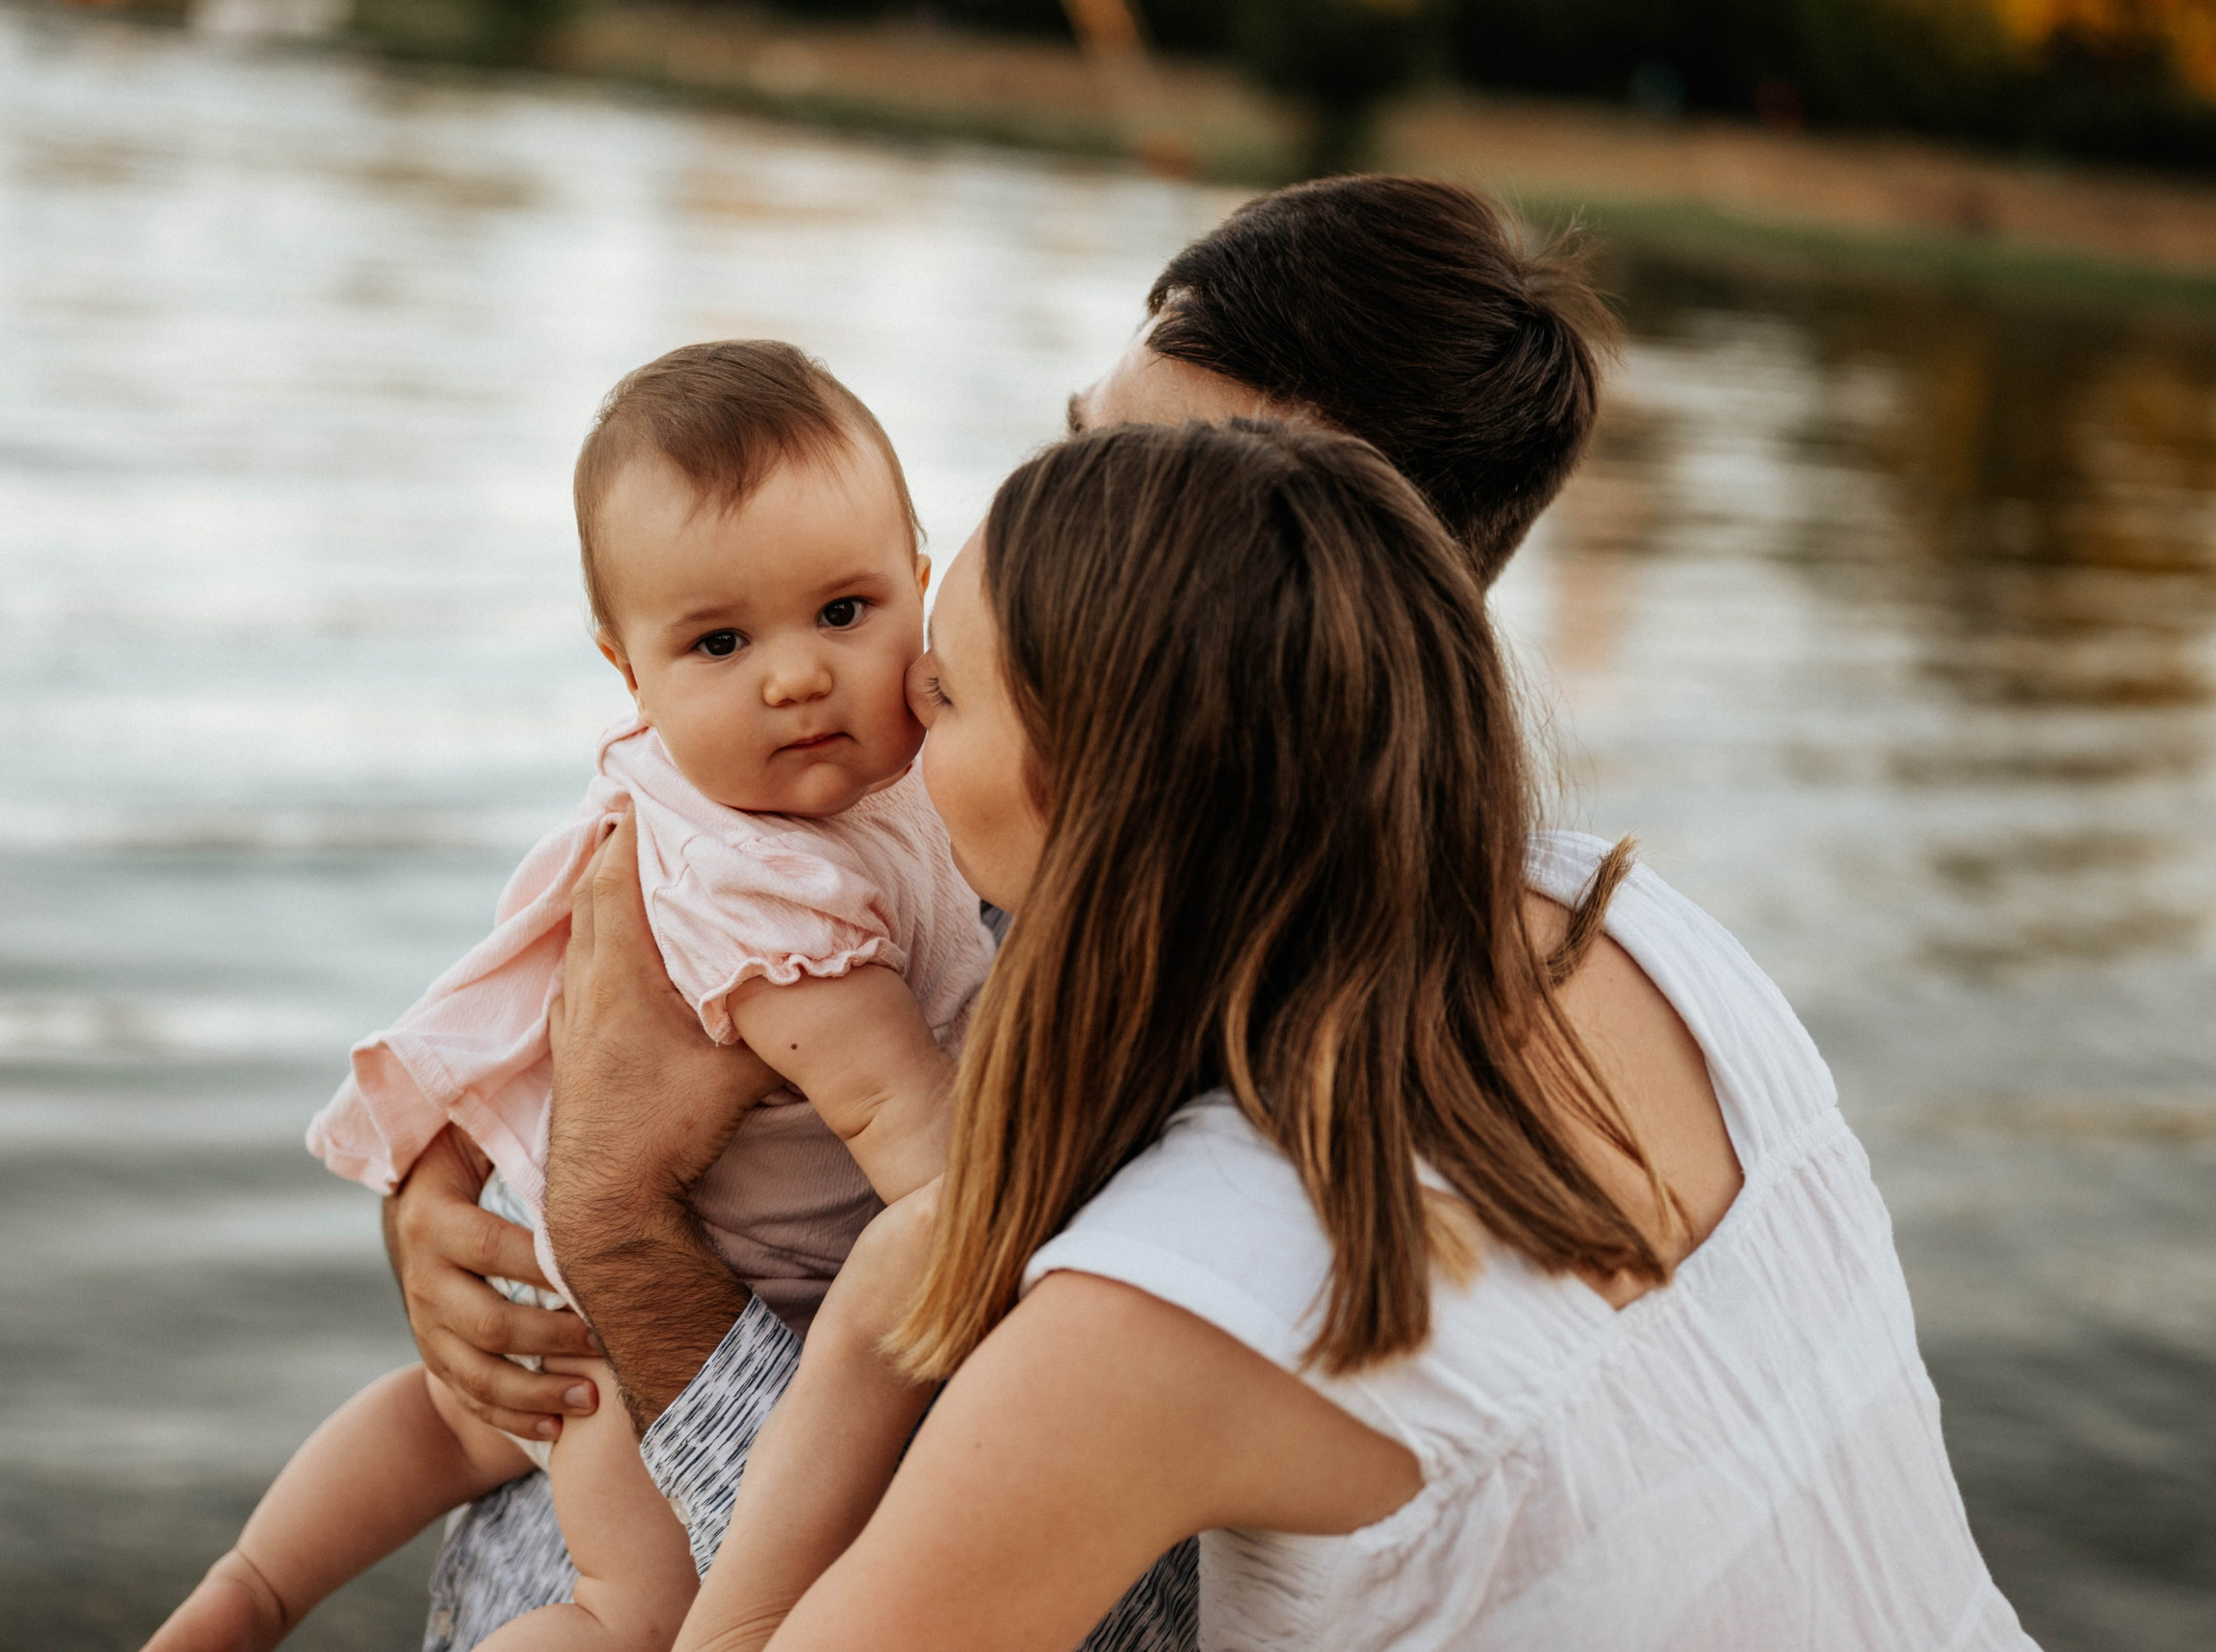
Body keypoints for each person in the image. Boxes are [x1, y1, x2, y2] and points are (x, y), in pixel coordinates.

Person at [391, 174, 1617, 1650]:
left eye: (1143, 500)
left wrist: (621, 1239)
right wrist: (449, 1194)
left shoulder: (1264, 1109)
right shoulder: (959, 760)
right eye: (1081, 449)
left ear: (1319, 592)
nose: (1043, 529)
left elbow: (997, 1607)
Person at [668, 418, 2040, 1651]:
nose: (898, 705)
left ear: (1100, 787)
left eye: (948, 693)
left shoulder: (1169, 1302)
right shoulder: (1633, 927)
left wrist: (856, 1325)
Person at [144, 341, 992, 1652]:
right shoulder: (754, 875)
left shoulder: (886, 782)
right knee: (633, 1611)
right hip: (645, 1326)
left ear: (922, 594)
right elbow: (904, 1125)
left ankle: (250, 1588)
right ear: (629, 676)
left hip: (574, 1264)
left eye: (844, 611)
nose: (793, 675)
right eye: (720, 641)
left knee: (453, 1420)